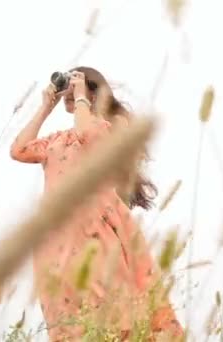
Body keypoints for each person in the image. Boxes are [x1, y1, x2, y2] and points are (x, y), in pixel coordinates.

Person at [10, 66, 183, 341]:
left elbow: (90, 137)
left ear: (94, 91)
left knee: (108, 310)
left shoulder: (108, 129)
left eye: (77, 83)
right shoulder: (58, 139)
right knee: (67, 319)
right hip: (57, 238)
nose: (69, 90)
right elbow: (19, 150)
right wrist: (46, 107)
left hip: (95, 232)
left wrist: (80, 97)